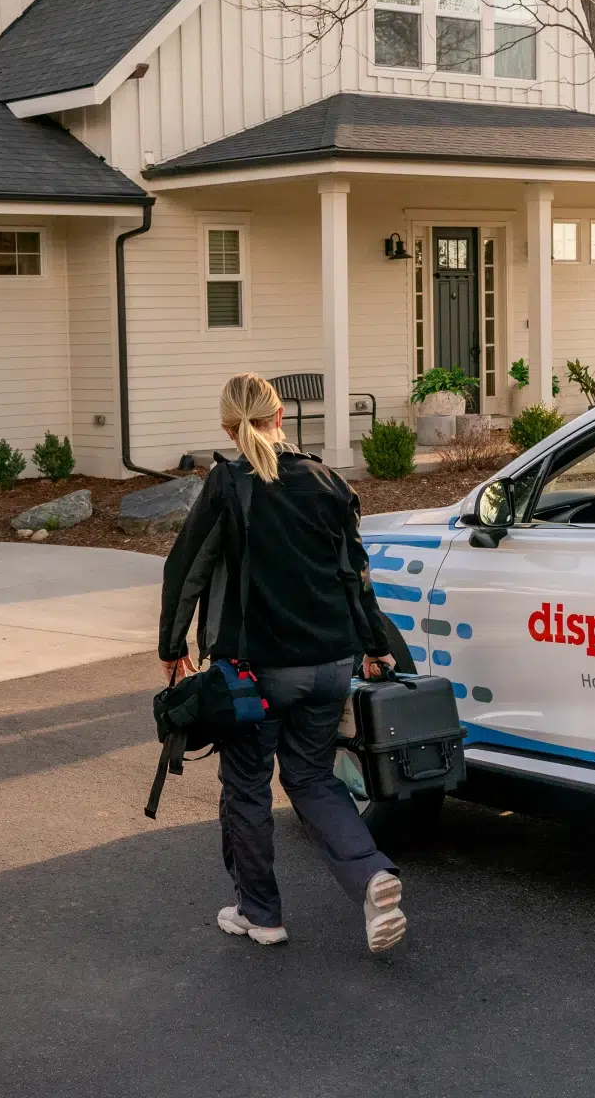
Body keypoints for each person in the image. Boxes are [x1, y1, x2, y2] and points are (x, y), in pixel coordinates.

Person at [157, 372, 406, 953]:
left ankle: (259, 913)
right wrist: (375, 646)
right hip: (328, 664)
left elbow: (185, 568)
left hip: (256, 672)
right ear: (281, 419)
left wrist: (173, 649)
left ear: (226, 426)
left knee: (246, 786)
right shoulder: (326, 480)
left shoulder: (227, 484)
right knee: (312, 777)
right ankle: (371, 876)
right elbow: (356, 577)